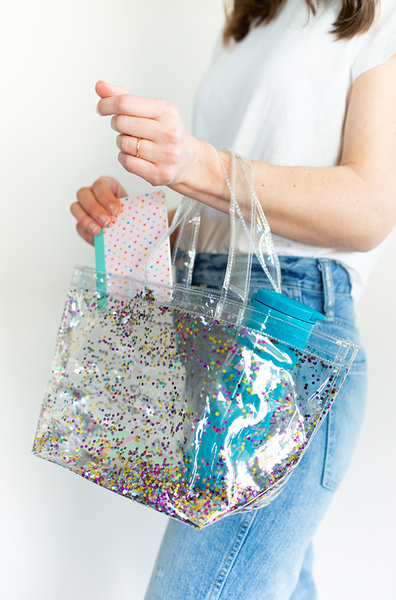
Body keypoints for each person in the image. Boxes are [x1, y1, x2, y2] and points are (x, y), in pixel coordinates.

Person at [70, 0, 396, 597]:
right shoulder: (248, 25)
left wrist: (199, 162)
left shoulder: (380, 15)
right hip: (209, 321)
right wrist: (135, 231)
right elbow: (232, 217)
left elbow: (371, 208)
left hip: (287, 331)